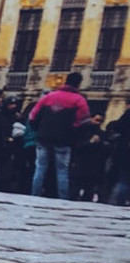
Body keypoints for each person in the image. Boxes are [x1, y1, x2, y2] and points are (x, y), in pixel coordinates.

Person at [28, 71, 92, 200]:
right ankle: (62, 198)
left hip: (43, 137)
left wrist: (39, 130)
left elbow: (32, 116)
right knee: (62, 170)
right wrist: (74, 135)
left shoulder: (49, 97)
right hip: (64, 140)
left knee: (40, 167)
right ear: (79, 84)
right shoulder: (79, 100)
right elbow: (84, 122)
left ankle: (34, 194)